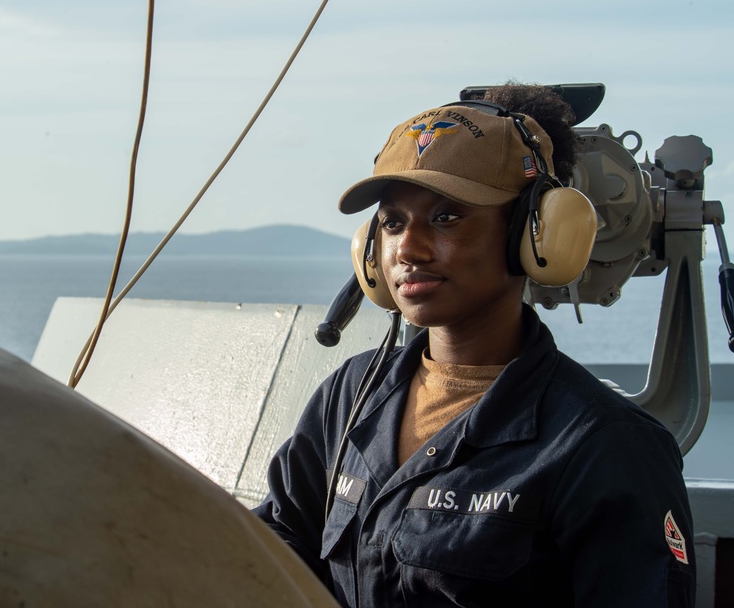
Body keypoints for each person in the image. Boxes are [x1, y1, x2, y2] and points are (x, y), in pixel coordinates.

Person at [252, 83, 696, 606]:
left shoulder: (605, 445)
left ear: (536, 234)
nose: (407, 249)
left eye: (447, 217)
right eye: (392, 223)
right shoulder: (349, 397)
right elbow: (270, 552)